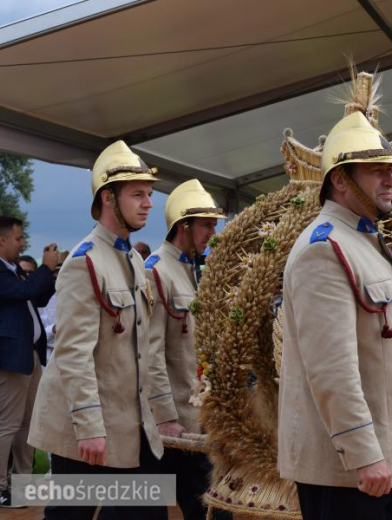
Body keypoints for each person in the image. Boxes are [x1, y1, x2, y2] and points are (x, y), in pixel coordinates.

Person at [277, 109, 392, 520]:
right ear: (340, 179)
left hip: (379, 464)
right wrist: (363, 452)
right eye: (377, 170)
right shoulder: (324, 249)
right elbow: (332, 368)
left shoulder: (363, 242)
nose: (391, 180)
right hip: (346, 471)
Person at [28, 141, 164, 520]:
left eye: (150, 194)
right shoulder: (82, 262)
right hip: (84, 427)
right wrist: (89, 426)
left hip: (126, 420)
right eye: (137, 194)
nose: (149, 203)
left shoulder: (133, 258)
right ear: (108, 197)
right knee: (72, 514)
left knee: (142, 512)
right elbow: (72, 354)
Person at [144, 180, 226, 520]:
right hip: (176, 423)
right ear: (184, 225)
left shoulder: (191, 270)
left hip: (199, 418)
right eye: (206, 224)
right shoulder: (155, 271)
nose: (212, 232)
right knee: (197, 507)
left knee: (208, 507)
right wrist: (165, 416)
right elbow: (151, 353)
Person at [0, 216, 57, 508]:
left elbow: (38, 298)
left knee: (27, 424)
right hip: (11, 356)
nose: (23, 244)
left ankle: (21, 483)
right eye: (19, 238)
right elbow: (24, 293)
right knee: (6, 424)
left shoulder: (12, 270)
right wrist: (44, 267)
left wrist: (52, 272)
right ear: (2, 240)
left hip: (29, 354)